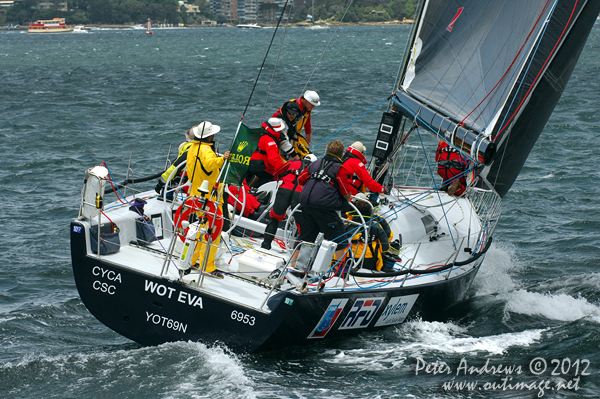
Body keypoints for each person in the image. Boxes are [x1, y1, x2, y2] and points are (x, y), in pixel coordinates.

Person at [294, 140, 353, 262]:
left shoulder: (315, 164)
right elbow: (346, 191)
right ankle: (340, 272)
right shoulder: (339, 168)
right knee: (340, 239)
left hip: (306, 203)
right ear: (341, 154)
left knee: (306, 237)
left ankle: (294, 264)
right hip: (324, 207)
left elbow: (300, 179)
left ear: (327, 151)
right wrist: (347, 200)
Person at [186, 121, 230, 278]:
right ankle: (207, 265)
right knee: (213, 231)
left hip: (195, 194)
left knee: (201, 228)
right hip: (209, 197)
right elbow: (211, 163)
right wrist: (223, 158)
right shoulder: (207, 150)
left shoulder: (192, 148)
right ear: (210, 135)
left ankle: (192, 259)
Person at [261, 153, 317, 250]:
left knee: (274, 218)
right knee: (302, 224)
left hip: (285, 190)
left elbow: (278, 171)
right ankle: (298, 252)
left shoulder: (293, 162)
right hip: (300, 194)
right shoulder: (315, 169)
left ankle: (265, 246)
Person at [346, 198, 395, 273]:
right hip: (370, 261)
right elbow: (386, 246)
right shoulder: (376, 225)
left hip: (349, 260)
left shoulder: (348, 223)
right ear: (370, 210)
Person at [246, 117, 295, 188]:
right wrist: (284, 171)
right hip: (261, 165)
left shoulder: (261, 133)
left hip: (251, 162)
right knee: (275, 177)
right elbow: (274, 159)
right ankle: (257, 184)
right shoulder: (270, 141)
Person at [155, 127, 195, 199]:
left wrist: (161, 183)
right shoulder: (209, 150)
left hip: (193, 191)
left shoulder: (189, 152)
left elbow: (175, 168)